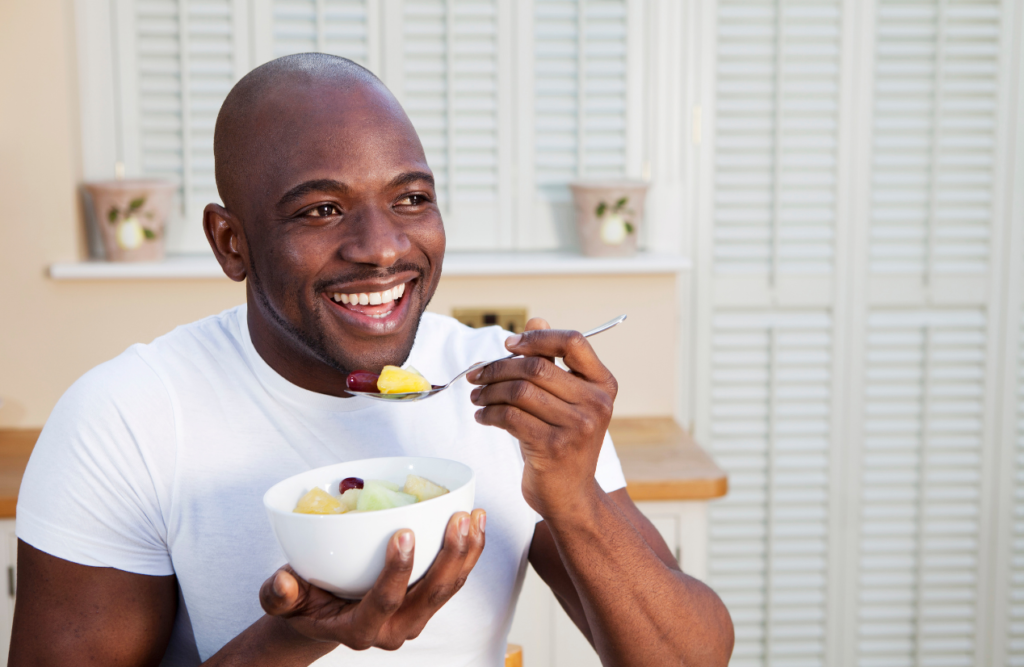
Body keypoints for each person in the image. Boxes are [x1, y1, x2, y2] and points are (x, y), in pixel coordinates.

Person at [10, 54, 733, 666]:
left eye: (411, 198)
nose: (383, 247)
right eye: (321, 210)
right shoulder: (126, 416)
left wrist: (573, 497)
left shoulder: (505, 392)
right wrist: (290, 636)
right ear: (232, 242)